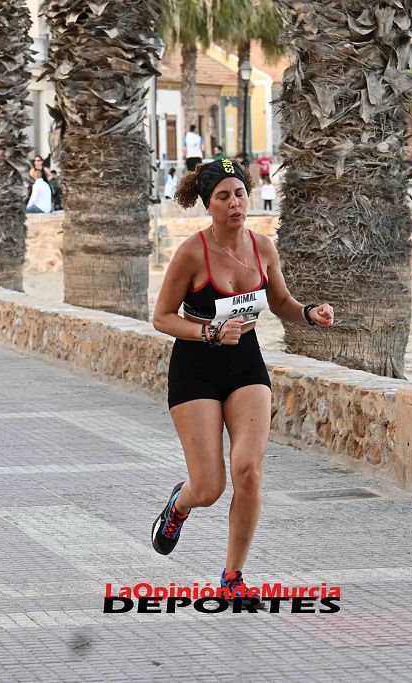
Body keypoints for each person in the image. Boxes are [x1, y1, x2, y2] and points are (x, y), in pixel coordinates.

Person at [150, 158, 335, 593]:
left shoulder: (262, 247)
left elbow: (282, 302)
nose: (234, 204)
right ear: (207, 204)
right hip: (195, 365)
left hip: (245, 362)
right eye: (223, 197)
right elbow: (161, 318)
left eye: (240, 194)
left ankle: (232, 577)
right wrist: (208, 331)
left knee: (249, 470)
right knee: (210, 486)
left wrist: (309, 313)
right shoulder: (191, 253)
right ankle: (180, 504)